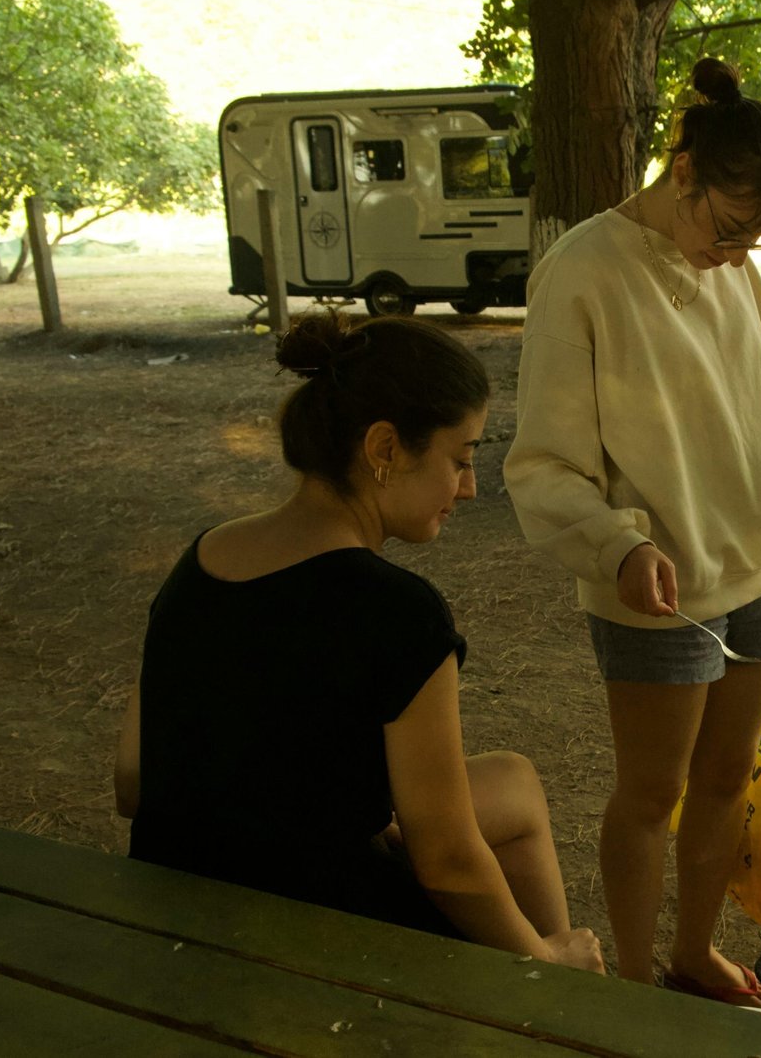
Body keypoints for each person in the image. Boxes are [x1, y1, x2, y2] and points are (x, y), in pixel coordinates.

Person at [114, 312, 602, 973]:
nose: (470, 485)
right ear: (385, 449)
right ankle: (557, 997)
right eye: (459, 459)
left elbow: (133, 783)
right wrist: (541, 957)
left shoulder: (201, 560)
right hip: (314, 938)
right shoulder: (398, 612)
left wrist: (321, 812)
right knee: (525, 929)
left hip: (177, 895)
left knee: (511, 781)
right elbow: (449, 861)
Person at [502, 58, 761, 1007]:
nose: (734, 253)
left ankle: (693, 952)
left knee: (726, 783)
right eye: (727, 227)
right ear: (682, 169)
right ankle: (633, 993)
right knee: (651, 798)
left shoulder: (737, 271)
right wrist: (619, 547)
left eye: (756, 238)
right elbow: (543, 464)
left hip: (757, 576)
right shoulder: (584, 271)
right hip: (659, 584)